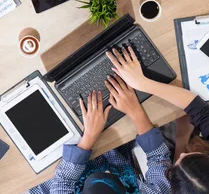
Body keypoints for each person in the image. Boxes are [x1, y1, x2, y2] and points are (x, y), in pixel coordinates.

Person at [106, 47, 209, 194]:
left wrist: (181, 136)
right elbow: (200, 110)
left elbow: (168, 154)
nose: (183, 154)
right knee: (192, 81)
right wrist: (142, 83)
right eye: (186, 155)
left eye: (179, 161)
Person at [33, 78, 172, 193]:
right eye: (109, 175)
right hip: (115, 152)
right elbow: (159, 157)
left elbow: (63, 180)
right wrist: (135, 111)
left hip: (55, 172)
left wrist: (89, 136)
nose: (107, 171)